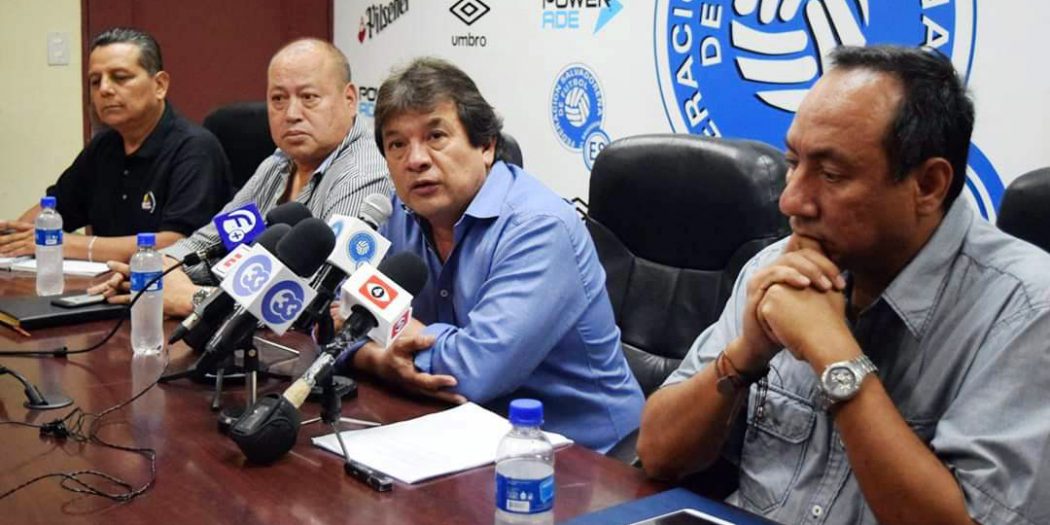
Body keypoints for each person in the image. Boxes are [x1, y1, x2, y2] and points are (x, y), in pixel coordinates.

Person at [636, 45, 1050, 524]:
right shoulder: (781, 266)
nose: (791, 201)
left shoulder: (1026, 310)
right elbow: (657, 454)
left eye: (831, 175)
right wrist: (747, 353)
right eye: (793, 163)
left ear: (928, 185)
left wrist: (834, 354)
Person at [337, 57, 644, 453]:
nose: (415, 160)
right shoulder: (396, 213)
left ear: (486, 145)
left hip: (585, 456)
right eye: (397, 144)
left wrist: (394, 332)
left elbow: (472, 372)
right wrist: (378, 359)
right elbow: (332, 319)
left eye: (435, 137)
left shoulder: (539, 226)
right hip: (465, 436)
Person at [88, 38, 390, 317]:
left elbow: (319, 303)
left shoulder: (362, 173)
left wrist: (194, 297)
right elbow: (211, 241)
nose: (291, 113)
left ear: (350, 99)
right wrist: (154, 271)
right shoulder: (279, 162)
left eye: (309, 97)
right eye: (278, 99)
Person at [0, 27, 232, 262]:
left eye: (120, 77)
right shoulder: (103, 146)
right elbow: (51, 212)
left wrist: (70, 244)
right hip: (105, 280)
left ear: (160, 85)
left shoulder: (195, 148)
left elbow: (178, 244)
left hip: (169, 281)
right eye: (95, 81)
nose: (104, 89)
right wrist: (12, 239)